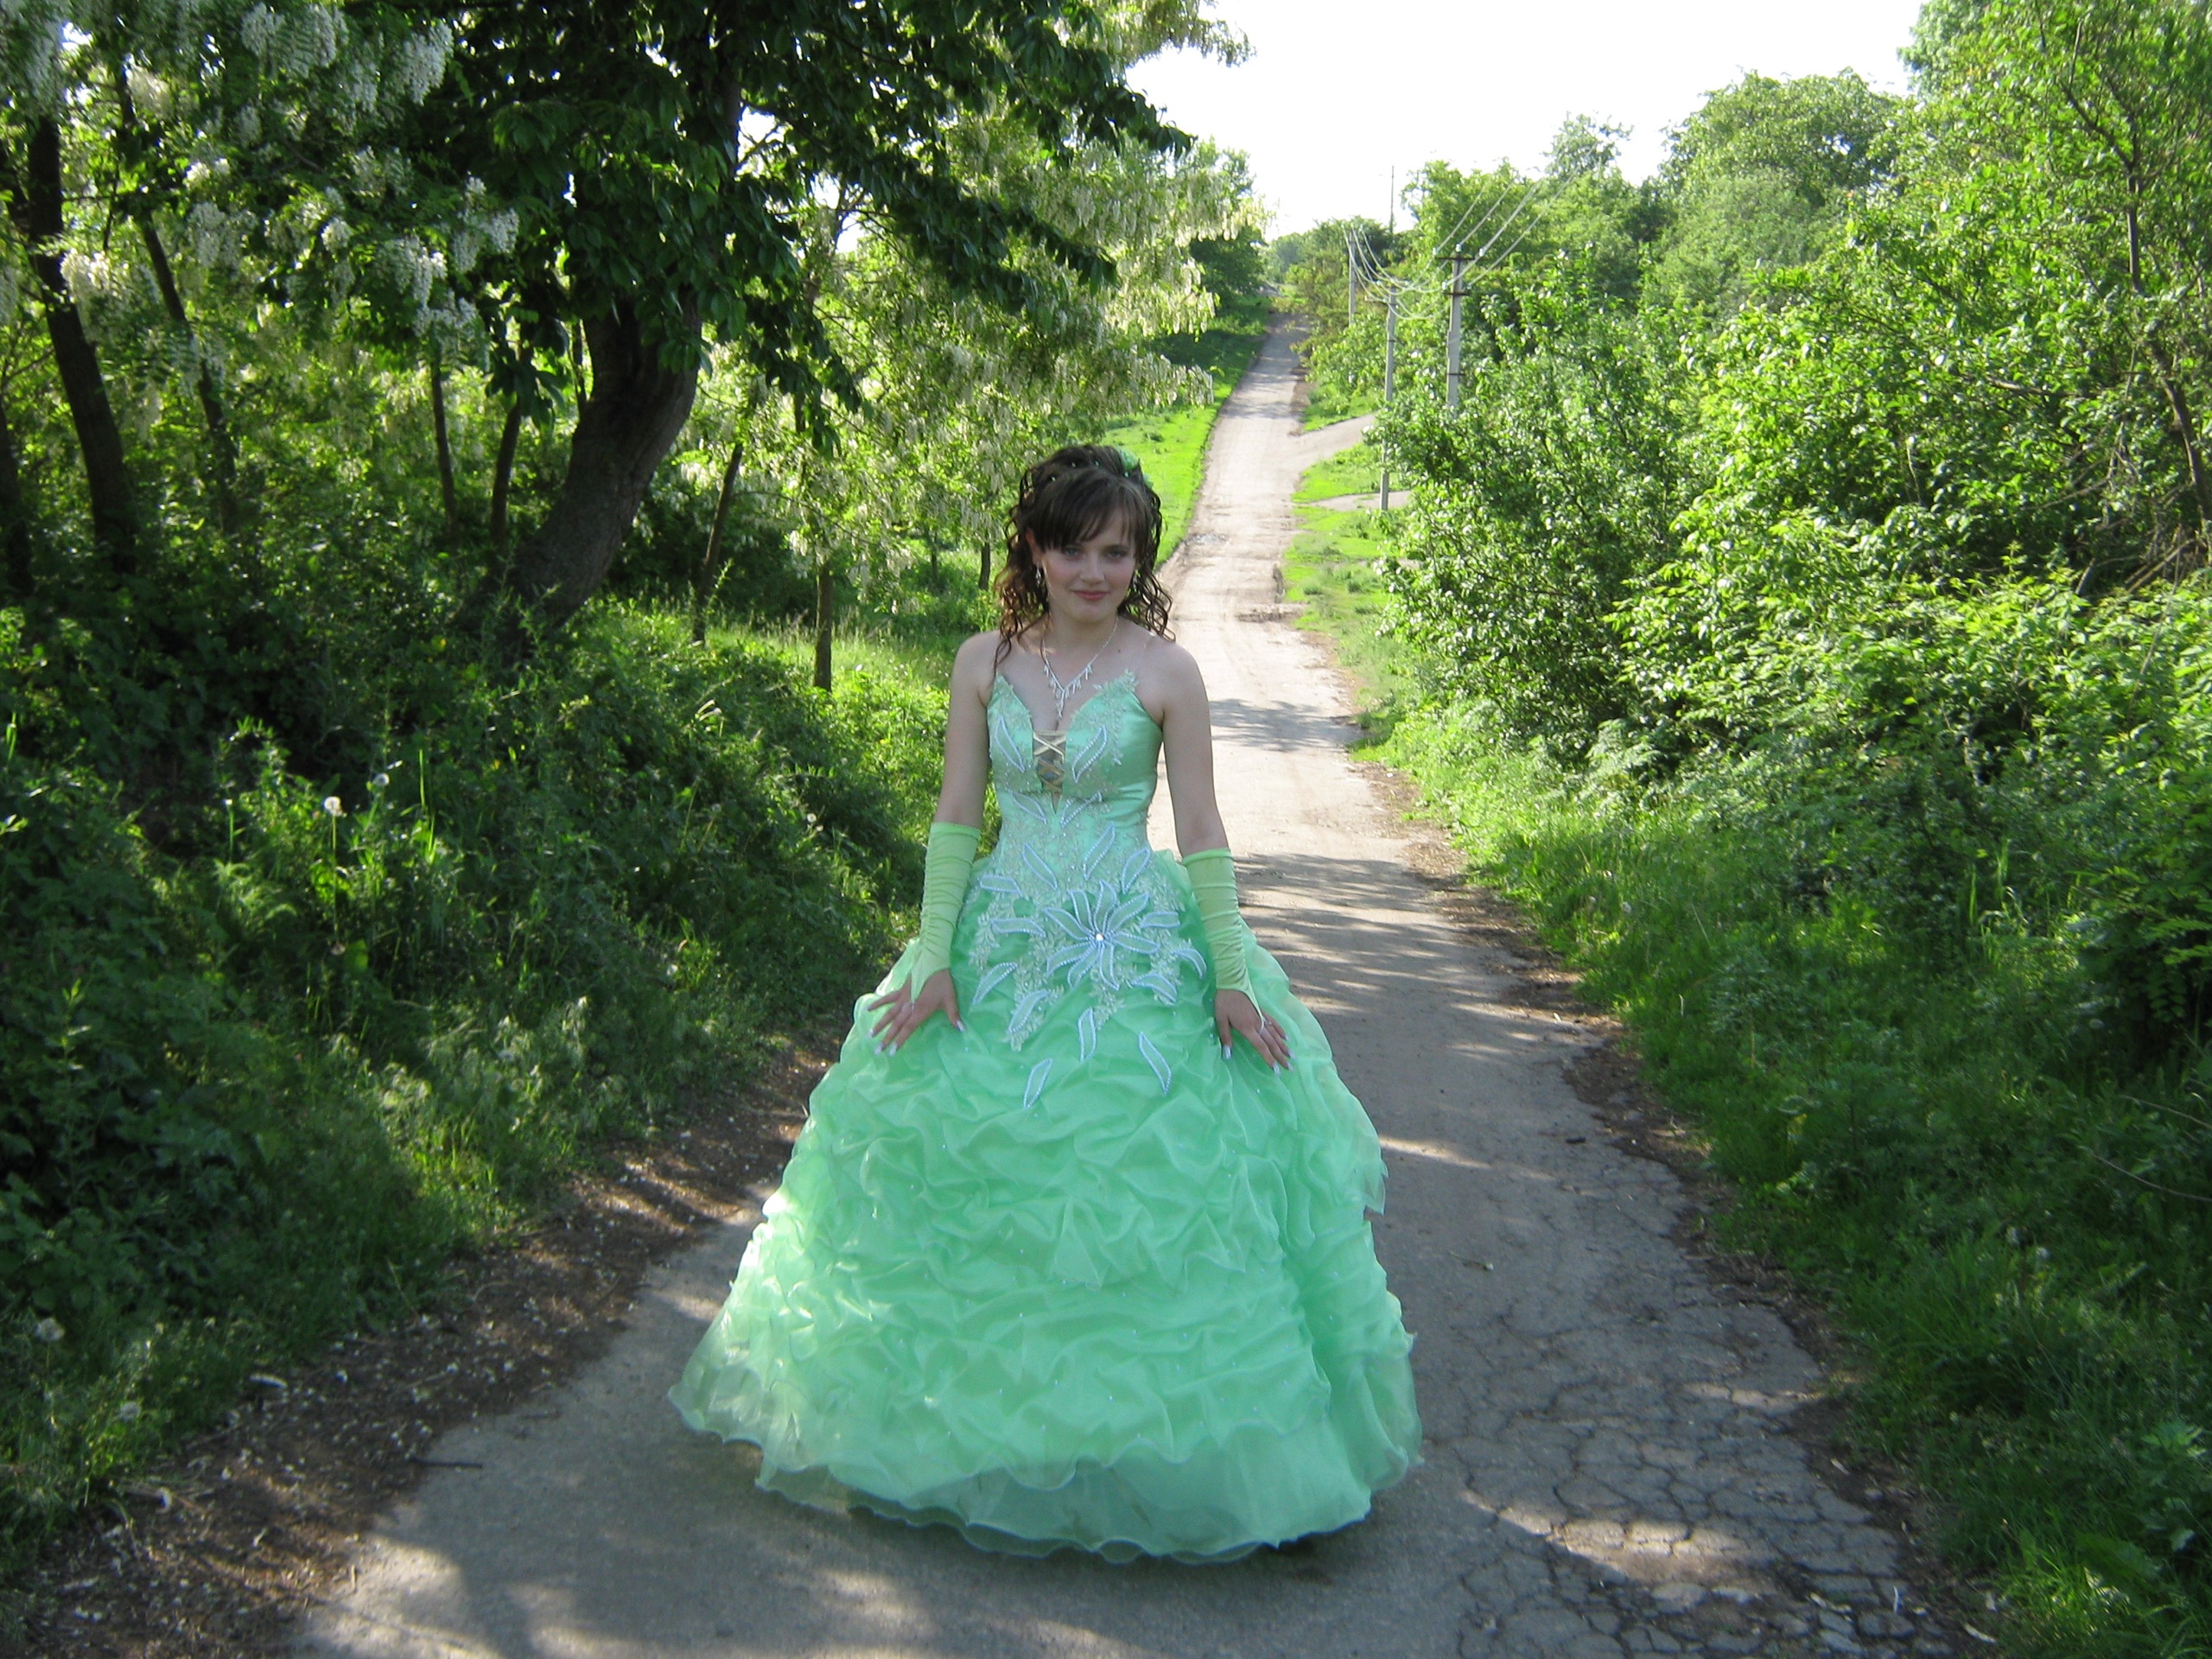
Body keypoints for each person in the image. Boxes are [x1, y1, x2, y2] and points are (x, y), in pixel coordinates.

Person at [671, 444, 1421, 1562]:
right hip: (1001, 945)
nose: (1094, 571)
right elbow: (957, 814)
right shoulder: (984, 661)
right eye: (1073, 548)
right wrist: (933, 955)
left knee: (1146, 1198)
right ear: (1033, 548)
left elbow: (1202, 827)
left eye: (1116, 551)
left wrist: (1227, 974)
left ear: (1140, 559)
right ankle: (954, 1438)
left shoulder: (1168, 674)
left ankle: (1166, 1459)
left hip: (1134, 952)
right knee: (961, 1183)